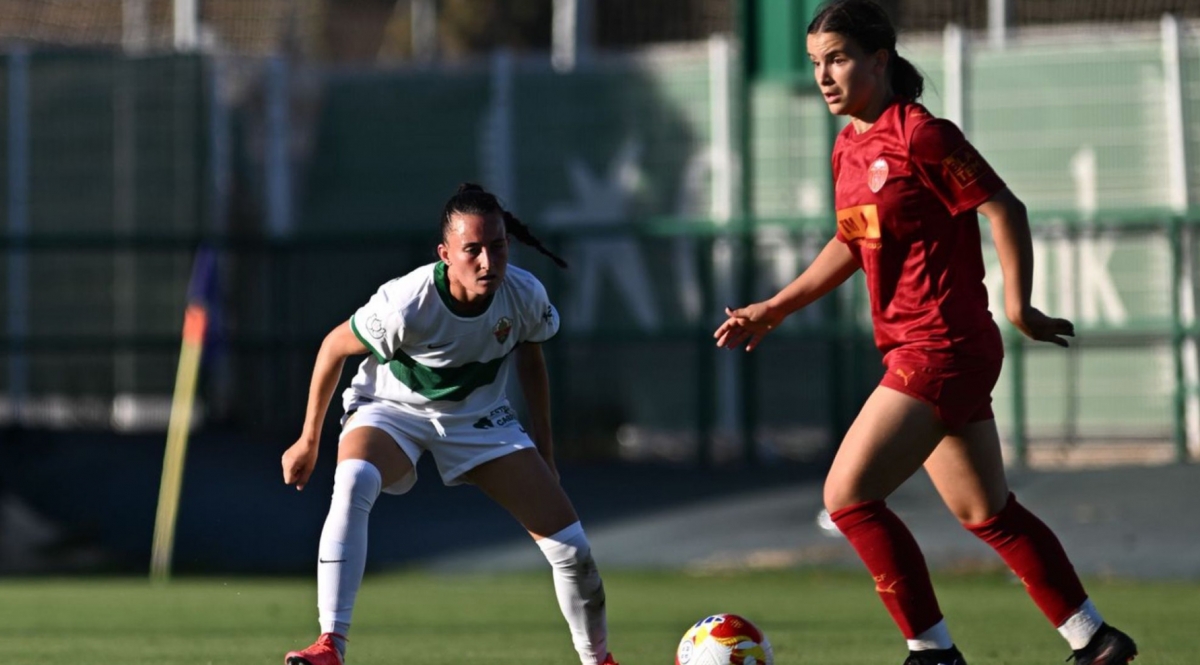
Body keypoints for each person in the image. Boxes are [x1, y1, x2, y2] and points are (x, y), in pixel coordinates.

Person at [713, 2, 1138, 664]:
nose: (825, 76)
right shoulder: (849, 145)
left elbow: (1004, 206)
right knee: (986, 511)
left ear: (880, 61)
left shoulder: (921, 134)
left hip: (941, 346)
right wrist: (775, 306)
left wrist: (1021, 305)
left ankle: (932, 652)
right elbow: (853, 241)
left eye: (839, 58)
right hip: (925, 349)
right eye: (816, 63)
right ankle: (1095, 638)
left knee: (848, 498)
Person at [281, 183, 617, 665]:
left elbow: (532, 363)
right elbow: (334, 347)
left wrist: (545, 452)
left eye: (497, 247)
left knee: (573, 551)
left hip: (479, 418)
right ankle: (329, 644)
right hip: (391, 408)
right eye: (472, 250)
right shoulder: (407, 302)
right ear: (445, 254)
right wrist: (309, 439)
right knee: (353, 479)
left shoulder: (523, 294)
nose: (487, 261)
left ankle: (599, 660)